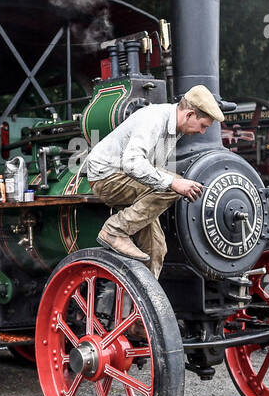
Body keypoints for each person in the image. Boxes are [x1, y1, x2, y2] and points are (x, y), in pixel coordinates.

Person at [86, 84, 224, 278]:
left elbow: (151, 170)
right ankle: (114, 230)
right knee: (173, 184)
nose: (202, 132)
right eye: (203, 126)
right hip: (108, 177)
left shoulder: (175, 128)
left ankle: (140, 302)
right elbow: (132, 163)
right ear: (189, 114)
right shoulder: (154, 119)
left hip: (127, 178)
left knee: (156, 249)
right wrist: (176, 184)